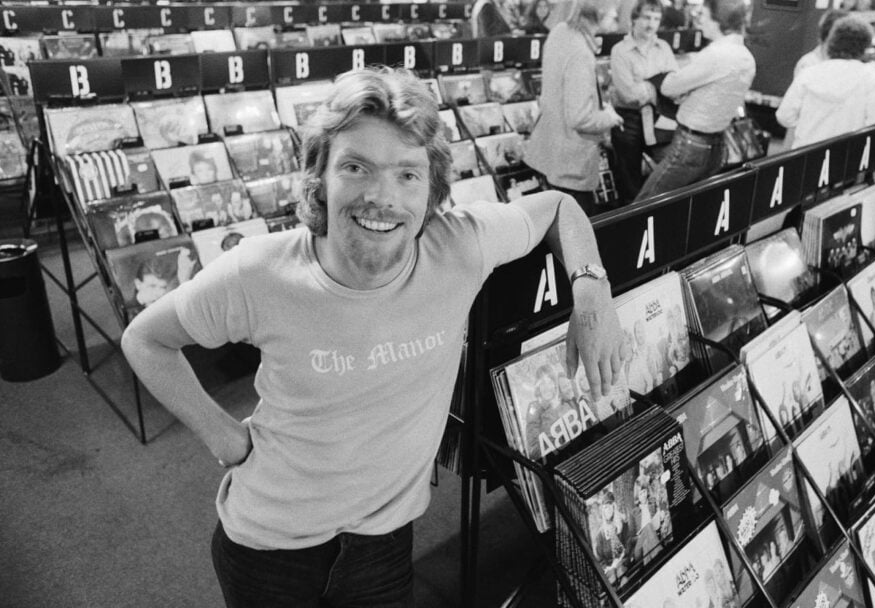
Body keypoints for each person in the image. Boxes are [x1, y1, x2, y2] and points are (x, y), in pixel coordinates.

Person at [120, 68, 623, 608]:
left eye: (407, 174)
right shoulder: (258, 273)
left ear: (432, 188)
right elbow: (145, 340)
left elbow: (559, 207)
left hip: (384, 547)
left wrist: (592, 291)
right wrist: (225, 440)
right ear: (319, 174)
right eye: (356, 167)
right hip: (267, 551)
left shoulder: (460, 247)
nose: (381, 198)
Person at [633, 0, 756, 203]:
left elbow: (669, 87)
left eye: (704, 16)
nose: (700, 21)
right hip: (717, 144)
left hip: (691, 144)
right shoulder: (746, 57)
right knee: (687, 209)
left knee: (644, 205)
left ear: (719, 21)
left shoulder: (716, 54)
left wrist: (674, 83)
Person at [525, 0, 624, 216]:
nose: (617, 12)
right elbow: (580, 118)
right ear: (598, 11)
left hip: (550, 151)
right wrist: (609, 118)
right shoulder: (581, 53)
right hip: (571, 165)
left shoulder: (560, 32)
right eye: (612, 8)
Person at [775, 15, 875, 150]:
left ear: (832, 42)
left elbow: (784, 116)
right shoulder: (870, 77)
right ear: (864, 46)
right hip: (847, 157)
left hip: (806, 156)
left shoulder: (810, 72)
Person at [608, 0, 679, 202]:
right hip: (628, 121)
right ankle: (631, 223)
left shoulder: (663, 47)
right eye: (647, 17)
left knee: (669, 168)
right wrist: (658, 85)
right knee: (628, 180)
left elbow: (675, 85)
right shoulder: (620, 50)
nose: (651, 24)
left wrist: (647, 86)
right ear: (634, 19)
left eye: (656, 19)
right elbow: (628, 94)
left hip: (659, 119)